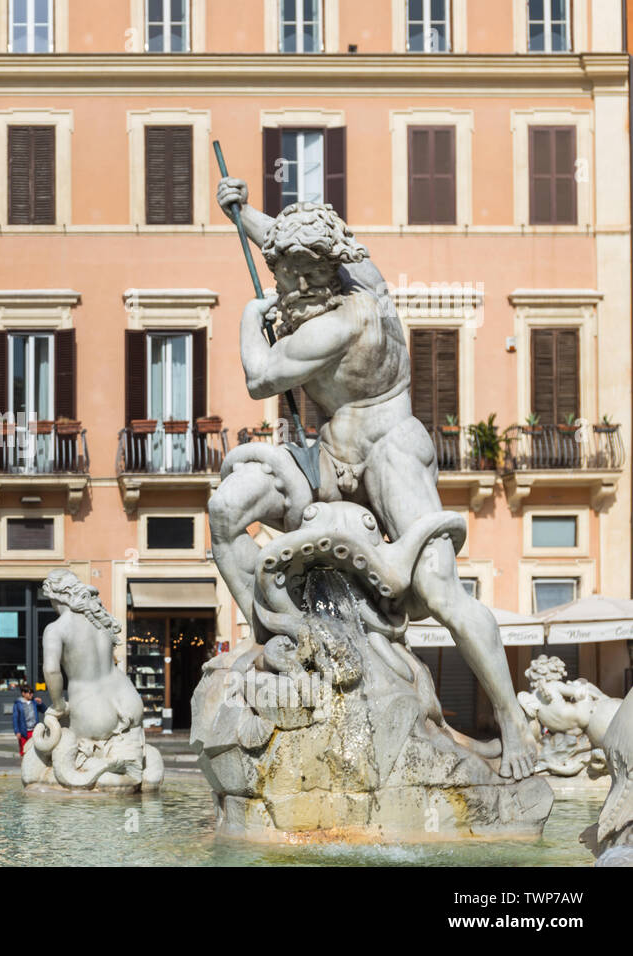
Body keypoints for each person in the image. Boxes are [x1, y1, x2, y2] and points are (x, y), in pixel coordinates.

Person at [211, 176, 536, 779]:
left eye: (305, 277)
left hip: (390, 453)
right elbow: (285, 245)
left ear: (327, 271)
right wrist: (244, 214)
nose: (296, 287)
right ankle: (280, 636)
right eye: (287, 276)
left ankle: (512, 722)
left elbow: (260, 378)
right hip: (328, 467)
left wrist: (252, 318)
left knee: (441, 593)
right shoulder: (364, 272)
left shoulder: (338, 324)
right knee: (229, 510)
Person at [12, 685, 46, 756]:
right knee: (24, 751)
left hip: (34, 730)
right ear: (23, 693)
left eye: (32, 693)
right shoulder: (18, 704)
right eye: (29, 693)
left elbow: (44, 711)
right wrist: (17, 731)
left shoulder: (34, 702)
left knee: (34, 751)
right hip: (23, 731)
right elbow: (15, 718)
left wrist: (41, 703)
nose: (31, 694)